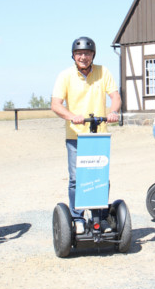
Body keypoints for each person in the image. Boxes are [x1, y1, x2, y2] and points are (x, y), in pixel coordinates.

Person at [51, 36, 121, 234]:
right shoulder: (65, 75)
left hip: (99, 135)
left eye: (87, 54)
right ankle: (78, 218)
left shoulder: (102, 71)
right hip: (75, 136)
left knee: (101, 177)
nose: (83, 57)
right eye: (79, 53)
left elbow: (115, 96)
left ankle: (100, 217)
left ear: (93, 55)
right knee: (76, 178)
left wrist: (113, 111)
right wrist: (72, 116)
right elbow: (56, 104)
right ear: (73, 56)